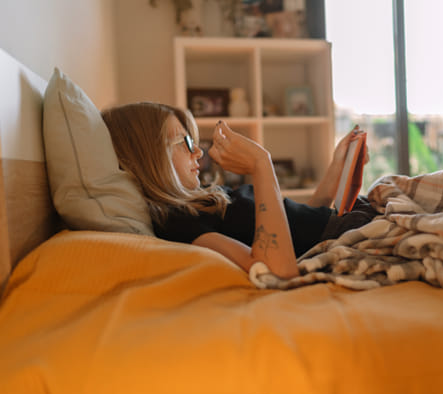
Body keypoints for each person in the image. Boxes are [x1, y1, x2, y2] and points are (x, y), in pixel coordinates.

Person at [101, 102, 377, 279]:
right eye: (185, 141)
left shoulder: (202, 202)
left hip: (347, 220)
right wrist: (261, 164)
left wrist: (337, 168)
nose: (198, 152)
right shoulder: (178, 220)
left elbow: (300, 227)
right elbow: (277, 271)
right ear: (150, 155)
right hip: (350, 231)